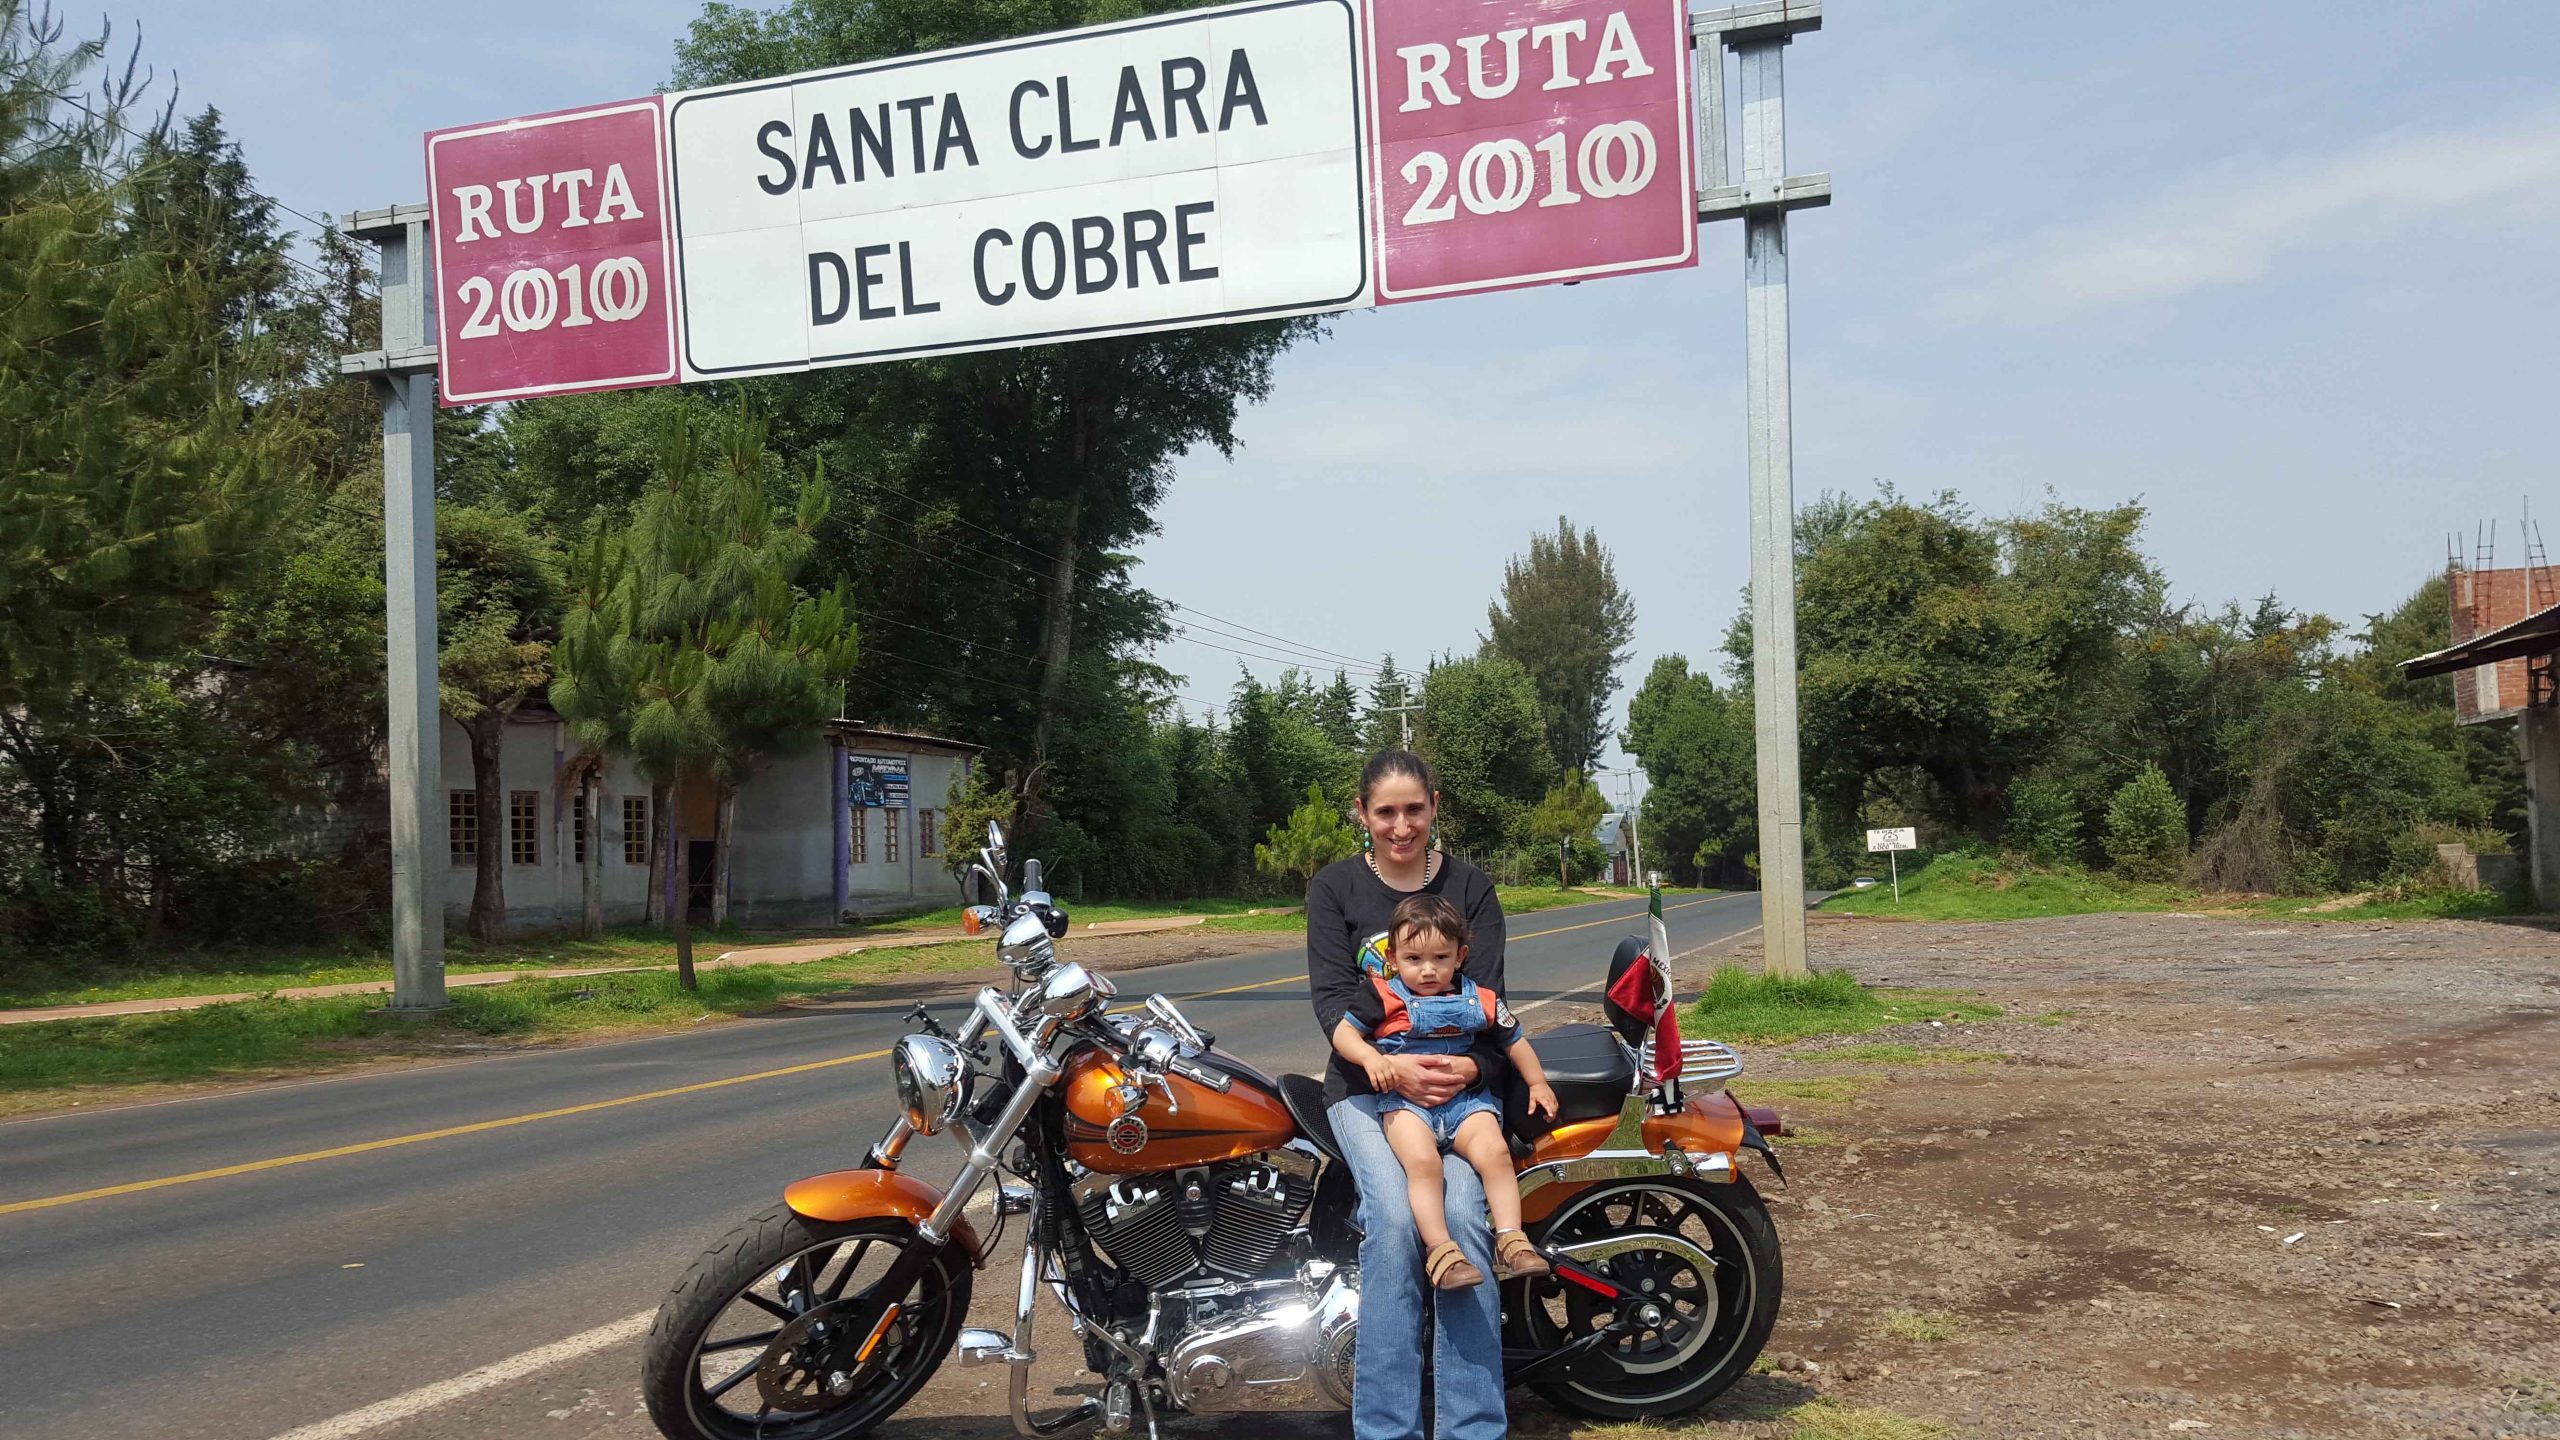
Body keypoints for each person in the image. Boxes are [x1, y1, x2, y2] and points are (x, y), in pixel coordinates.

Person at [1306, 749, 1511, 1440]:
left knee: (1463, 1217)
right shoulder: (1333, 887)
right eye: (1385, 811)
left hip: (1460, 1093)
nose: (1401, 826)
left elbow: (1490, 1003)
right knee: (1394, 1222)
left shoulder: (1470, 885)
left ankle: (1473, 1427)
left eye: (1413, 810)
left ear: (1434, 806)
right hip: (1367, 1093)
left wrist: (1473, 1072)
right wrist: (1384, 1067)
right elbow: (1333, 1000)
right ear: (1362, 813)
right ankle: (1387, 1430)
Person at [1332, 894, 1557, 1288]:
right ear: (1392, 958)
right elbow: (1344, 1032)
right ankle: (1442, 1251)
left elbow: (1514, 1041)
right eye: (1414, 959)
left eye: (1440, 957)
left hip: (1467, 1103)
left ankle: (1511, 1239)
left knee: (1496, 1154)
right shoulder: (1382, 995)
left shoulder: (1482, 998)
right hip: (1406, 1105)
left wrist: (1537, 1083)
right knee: (1423, 1163)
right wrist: (1371, 1059)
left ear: (1461, 955)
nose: (1427, 970)